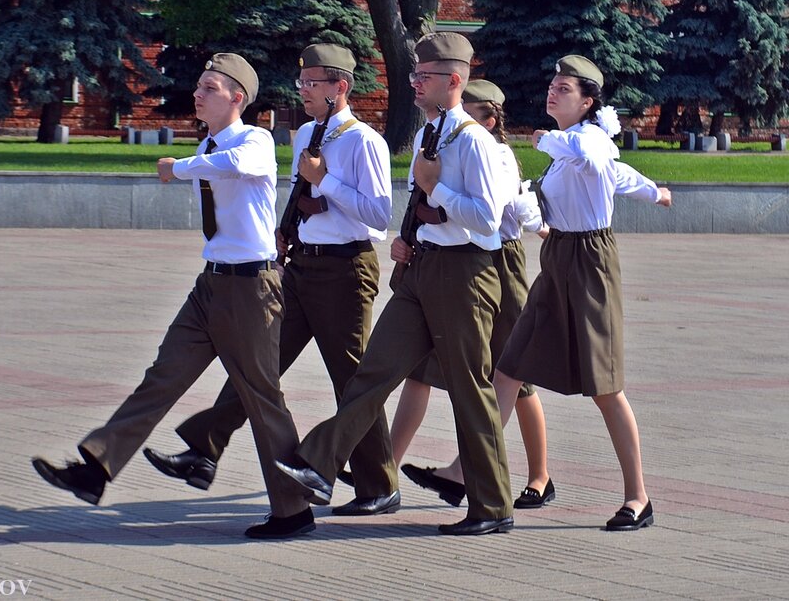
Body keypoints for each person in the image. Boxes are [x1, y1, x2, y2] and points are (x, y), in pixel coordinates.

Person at [32, 53, 315, 540]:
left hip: (252, 287)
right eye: (199, 87)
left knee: (262, 397)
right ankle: (96, 469)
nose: (198, 94)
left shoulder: (255, 139)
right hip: (212, 284)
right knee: (162, 378)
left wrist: (177, 167)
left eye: (209, 87)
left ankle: (293, 510)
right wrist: (189, 162)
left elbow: (237, 166)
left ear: (237, 98)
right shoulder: (207, 142)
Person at [276, 32, 518, 536]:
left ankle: (492, 506)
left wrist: (436, 189)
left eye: (423, 77)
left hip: (466, 274)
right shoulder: (434, 132)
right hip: (423, 270)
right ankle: (318, 463)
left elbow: (488, 219)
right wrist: (412, 236)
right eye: (413, 75)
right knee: (374, 371)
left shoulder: (475, 141)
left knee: (470, 390)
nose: (414, 84)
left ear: (453, 81)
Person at [143, 43, 399, 516]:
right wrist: (284, 232)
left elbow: (379, 216)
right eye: (301, 83)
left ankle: (379, 486)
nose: (303, 90)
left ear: (340, 87)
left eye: (313, 84)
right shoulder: (304, 135)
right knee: (259, 365)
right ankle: (204, 451)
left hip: (347, 269)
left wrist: (326, 181)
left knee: (350, 378)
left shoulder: (364, 141)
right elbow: (297, 192)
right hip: (300, 264)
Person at [492, 55, 672, 532]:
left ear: (588, 101)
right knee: (509, 367)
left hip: (591, 263)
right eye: (552, 85)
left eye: (564, 88)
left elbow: (598, 159)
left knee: (605, 386)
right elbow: (620, 177)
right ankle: (468, 472)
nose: (553, 91)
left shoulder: (587, 140)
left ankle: (638, 497)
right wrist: (656, 192)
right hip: (557, 261)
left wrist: (549, 140)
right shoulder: (566, 153)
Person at [393, 79, 555, 510]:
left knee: (515, 373)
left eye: (472, 112)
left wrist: (539, 223)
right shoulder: (449, 143)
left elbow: (512, 212)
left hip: (500, 264)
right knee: (424, 369)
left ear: (490, 118)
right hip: (455, 265)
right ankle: (389, 466)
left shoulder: (495, 152)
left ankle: (539, 476)